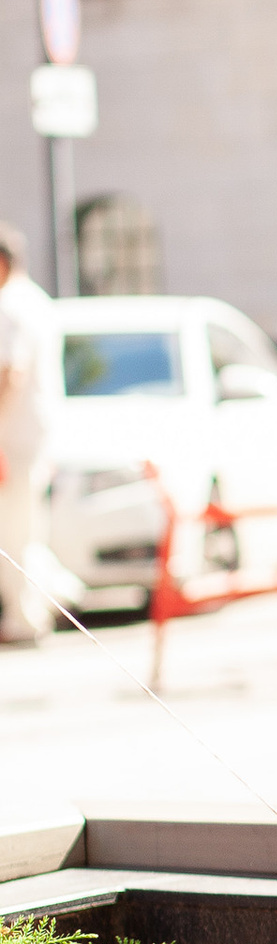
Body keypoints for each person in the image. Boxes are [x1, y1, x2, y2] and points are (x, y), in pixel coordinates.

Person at [0, 221, 55, 647]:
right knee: (28, 528)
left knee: (14, 531)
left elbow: (10, 373)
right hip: (35, 433)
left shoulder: (9, 305)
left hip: (12, 437)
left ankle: (25, 619)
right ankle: (37, 609)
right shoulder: (37, 301)